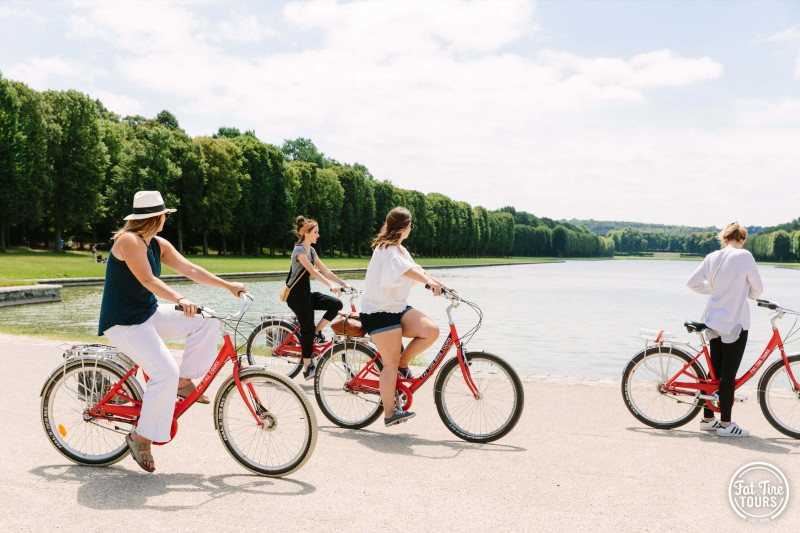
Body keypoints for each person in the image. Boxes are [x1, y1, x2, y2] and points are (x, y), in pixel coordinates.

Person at [98, 190, 246, 472]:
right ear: (157, 217)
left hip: (147, 315)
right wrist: (179, 299)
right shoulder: (128, 240)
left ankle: (183, 380)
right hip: (124, 323)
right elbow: (146, 278)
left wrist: (227, 285)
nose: (167, 218)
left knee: (207, 319)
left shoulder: (156, 243)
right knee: (164, 371)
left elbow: (190, 269)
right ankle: (140, 436)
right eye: (165, 214)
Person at [359, 207, 452, 427]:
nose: (412, 228)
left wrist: (443, 285)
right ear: (405, 226)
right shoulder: (386, 249)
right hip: (378, 312)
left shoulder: (400, 249)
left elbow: (417, 269)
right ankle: (390, 413)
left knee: (430, 331)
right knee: (388, 364)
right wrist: (429, 284)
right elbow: (407, 272)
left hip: (397, 308)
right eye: (411, 225)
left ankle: (403, 364)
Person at [687, 222, 763, 437]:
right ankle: (727, 425)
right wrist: (741, 291)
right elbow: (758, 291)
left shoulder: (712, 257)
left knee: (714, 374)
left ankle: (708, 419)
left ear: (724, 238)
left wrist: (714, 290)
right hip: (734, 323)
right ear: (742, 239)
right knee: (728, 375)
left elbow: (692, 283)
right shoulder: (744, 256)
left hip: (713, 321)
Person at [285, 216, 350, 380]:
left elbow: (325, 270)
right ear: (306, 233)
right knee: (306, 329)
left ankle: (317, 331)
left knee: (336, 304)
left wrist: (343, 283)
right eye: (315, 232)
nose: (318, 235)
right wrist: (330, 285)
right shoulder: (299, 251)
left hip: (306, 295)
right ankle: (307, 368)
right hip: (295, 296)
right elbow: (313, 272)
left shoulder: (311, 251)